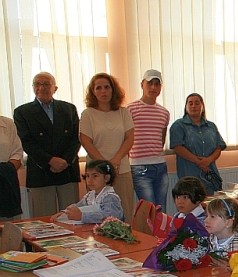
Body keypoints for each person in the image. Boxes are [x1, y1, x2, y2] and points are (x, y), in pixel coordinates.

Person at [14, 72, 81, 218]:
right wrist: (50, 160)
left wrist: (65, 161)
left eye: (46, 84)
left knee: (72, 218)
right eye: (37, 84)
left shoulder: (68, 108)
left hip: (67, 170)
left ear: (55, 88)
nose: (41, 88)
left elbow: (76, 138)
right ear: (33, 87)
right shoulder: (22, 112)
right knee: (44, 220)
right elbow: (26, 141)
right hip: (41, 171)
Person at [79, 73, 136, 222]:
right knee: (97, 216)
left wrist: (116, 160)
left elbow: (129, 138)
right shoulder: (88, 114)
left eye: (107, 87)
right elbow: (86, 141)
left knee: (125, 215)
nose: (103, 91)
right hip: (96, 174)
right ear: (93, 91)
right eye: (98, 88)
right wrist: (104, 166)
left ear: (113, 90)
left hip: (121, 170)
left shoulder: (124, 112)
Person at [128, 69, 170, 211]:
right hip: (139, 167)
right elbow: (125, 138)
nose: (153, 87)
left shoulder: (164, 112)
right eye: (149, 83)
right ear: (142, 85)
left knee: (161, 210)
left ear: (160, 87)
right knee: (150, 210)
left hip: (160, 166)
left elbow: (161, 139)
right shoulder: (130, 109)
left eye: (157, 84)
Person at [170, 93, 227, 194]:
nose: (193, 106)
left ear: (202, 106)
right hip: (189, 175)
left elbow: (218, 147)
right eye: (190, 103)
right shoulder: (178, 125)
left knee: (209, 203)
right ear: (186, 107)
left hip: (209, 174)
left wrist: (208, 160)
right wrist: (199, 162)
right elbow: (177, 147)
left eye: (197, 103)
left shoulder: (211, 126)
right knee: (191, 202)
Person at [53, 159, 123, 224]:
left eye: (95, 176)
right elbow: (79, 206)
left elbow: (110, 216)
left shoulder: (110, 196)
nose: (90, 180)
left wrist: (83, 216)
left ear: (107, 178)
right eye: (87, 176)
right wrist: (65, 212)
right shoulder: (90, 195)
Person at [205, 197, 238, 266]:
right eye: (206, 216)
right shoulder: (208, 239)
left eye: (212, 217)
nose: (206, 220)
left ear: (228, 222)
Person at [0, 115, 23, 221]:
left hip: (5, 185)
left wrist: (5, 172)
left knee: (8, 227)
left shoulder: (7, 123)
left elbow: (17, 154)